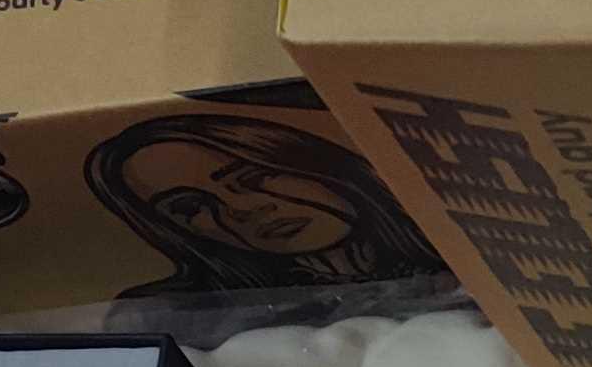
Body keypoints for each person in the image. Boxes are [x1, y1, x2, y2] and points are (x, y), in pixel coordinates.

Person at [85, 110, 447, 296]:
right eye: (189, 208)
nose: (241, 209)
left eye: (251, 178)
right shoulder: (176, 314)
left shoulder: (454, 249)